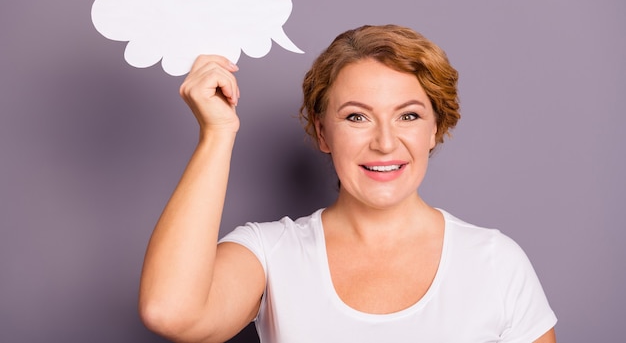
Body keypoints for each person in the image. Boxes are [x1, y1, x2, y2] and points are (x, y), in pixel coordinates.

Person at [139, 25, 557, 342]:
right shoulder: (270, 254)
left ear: (435, 130)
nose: (385, 142)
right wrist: (217, 133)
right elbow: (171, 312)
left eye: (408, 115)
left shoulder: (496, 262)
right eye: (356, 116)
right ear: (323, 133)